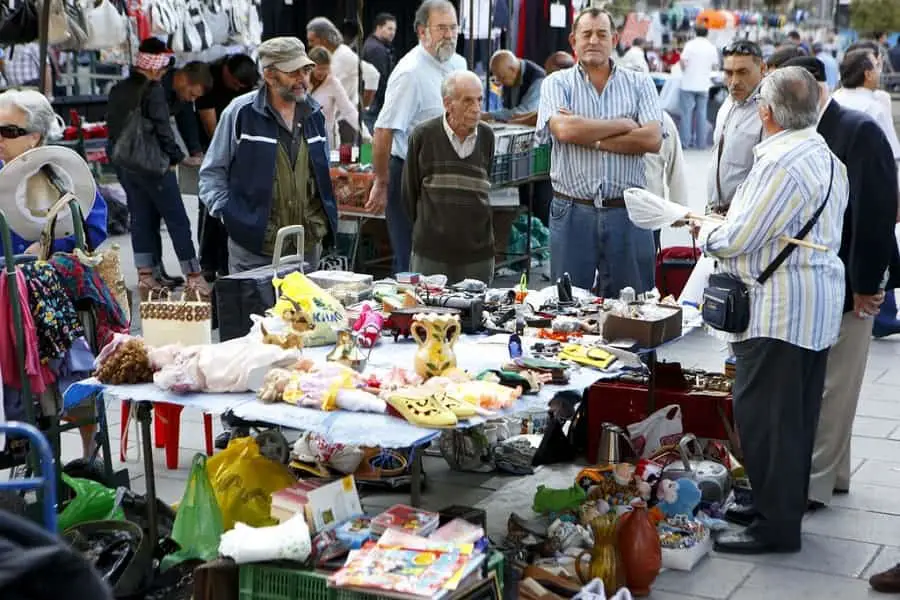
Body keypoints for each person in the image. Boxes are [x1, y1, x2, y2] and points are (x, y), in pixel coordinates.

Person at [703, 67, 849, 555]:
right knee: (794, 417)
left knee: (766, 418)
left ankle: (775, 525)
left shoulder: (782, 161)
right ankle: (773, 503)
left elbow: (740, 236)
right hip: (811, 307)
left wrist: (705, 233)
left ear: (766, 112)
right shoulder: (824, 154)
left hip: (780, 311)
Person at [766, 59, 899, 517]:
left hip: (851, 280)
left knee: (834, 387)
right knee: (829, 383)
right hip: (820, 279)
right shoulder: (807, 131)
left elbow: (879, 213)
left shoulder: (858, 130)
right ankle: (835, 473)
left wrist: (868, 283)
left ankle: (813, 485)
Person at [0, 89, 109, 459]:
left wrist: (48, 251)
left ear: (35, 135)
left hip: (60, 303)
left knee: (73, 376)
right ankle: (25, 449)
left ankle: (90, 451)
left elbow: (94, 228)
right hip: (9, 301)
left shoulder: (65, 174)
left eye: (8, 131)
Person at [537, 7, 663, 296]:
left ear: (615, 39)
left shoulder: (640, 83)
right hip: (571, 211)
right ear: (573, 41)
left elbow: (652, 139)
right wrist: (621, 124)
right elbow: (564, 132)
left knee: (633, 309)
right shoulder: (557, 83)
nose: (594, 40)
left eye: (601, 34)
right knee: (566, 306)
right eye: (587, 34)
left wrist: (590, 136)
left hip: (627, 212)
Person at [199, 37, 338, 275]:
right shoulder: (240, 113)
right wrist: (230, 216)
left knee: (302, 312)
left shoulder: (315, 115)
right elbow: (212, 173)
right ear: (270, 75)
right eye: (292, 72)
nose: (302, 79)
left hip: (307, 246)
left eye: (305, 70)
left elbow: (322, 172)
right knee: (253, 312)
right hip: (254, 249)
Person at [366, 0, 467, 275]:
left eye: (453, 27)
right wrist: (381, 182)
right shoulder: (410, 72)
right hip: (411, 176)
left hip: (448, 174)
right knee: (414, 261)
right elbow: (383, 130)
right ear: (422, 32)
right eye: (441, 28)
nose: (449, 34)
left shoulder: (458, 64)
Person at [106, 40, 208, 300]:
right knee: (177, 219)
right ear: (153, 68)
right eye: (162, 69)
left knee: (141, 219)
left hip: (127, 166)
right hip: (153, 167)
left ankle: (146, 278)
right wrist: (177, 157)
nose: (163, 74)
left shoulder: (117, 89)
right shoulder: (153, 90)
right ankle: (194, 278)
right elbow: (163, 129)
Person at [402, 71, 495, 284]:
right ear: (448, 104)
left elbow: (485, 183)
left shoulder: (487, 136)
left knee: (475, 313)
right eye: (468, 101)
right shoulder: (423, 135)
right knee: (428, 315)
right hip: (432, 252)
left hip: (477, 253)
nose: (477, 109)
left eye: (479, 100)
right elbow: (409, 193)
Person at [833, 49, 900, 338]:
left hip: (837, 195)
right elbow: (891, 155)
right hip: (869, 188)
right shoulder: (874, 107)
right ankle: (882, 313)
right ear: (866, 72)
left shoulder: (835, 101)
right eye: (875, 66)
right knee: (877, 247)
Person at [193, 53, 260, 279]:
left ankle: (225, 263)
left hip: (245, 150)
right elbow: (213, 128)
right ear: (227, 74)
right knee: (212, 211)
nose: (238, 88)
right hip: (218, 147)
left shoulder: (250, 82)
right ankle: (207, 263)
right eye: (235, 84)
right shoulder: (210, 79)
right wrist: (227, 151)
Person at [706, 41, 765, 216]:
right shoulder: (728, 103)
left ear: (762, 68)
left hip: (743, 219)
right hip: (715, 214)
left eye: (742, 72)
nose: (734, 81)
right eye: (728, 73)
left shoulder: (768, 110)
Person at [306, 17, 380, 121]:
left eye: (312, 40)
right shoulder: (324, 57)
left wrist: (363, 106)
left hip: (345, 121)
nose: (309, 44)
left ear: (323, 38)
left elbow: (373, 74)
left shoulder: (344, 54)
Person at [308, 46, 371, 149]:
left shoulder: (333, 83)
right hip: (304, 138)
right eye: (319, 68)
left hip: (327, 139)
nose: (323, 72)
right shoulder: (302, 81)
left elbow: (348, 110)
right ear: (311, 66)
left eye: (326, 68)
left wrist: (365, 133)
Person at [678, 26, 719, 149]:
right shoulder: (711, 47)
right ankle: (701, 143)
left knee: (686, 114)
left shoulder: (690, 45)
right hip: (704, 85)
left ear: (695, 32)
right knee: (702, 114)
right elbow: (715, 65)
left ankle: (685, 143)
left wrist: (685, 70)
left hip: (688, 84)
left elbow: (683, 62)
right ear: (707, 33)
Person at [485, 50, 545, 125]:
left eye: (502, 77)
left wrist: (489, 116)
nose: (500, 82)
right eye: (497, 78)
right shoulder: (511, 73)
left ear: (512, 70)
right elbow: (508, 109)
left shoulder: (538, 80)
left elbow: (524, 112)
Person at [362, 12, 397, 128]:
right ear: (379, 28)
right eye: (389, 29)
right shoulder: (376, 49)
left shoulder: (374, 45)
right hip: (374, 104)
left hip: (372, 102)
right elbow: (381, 80)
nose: (392, 33)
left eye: (394, 30)